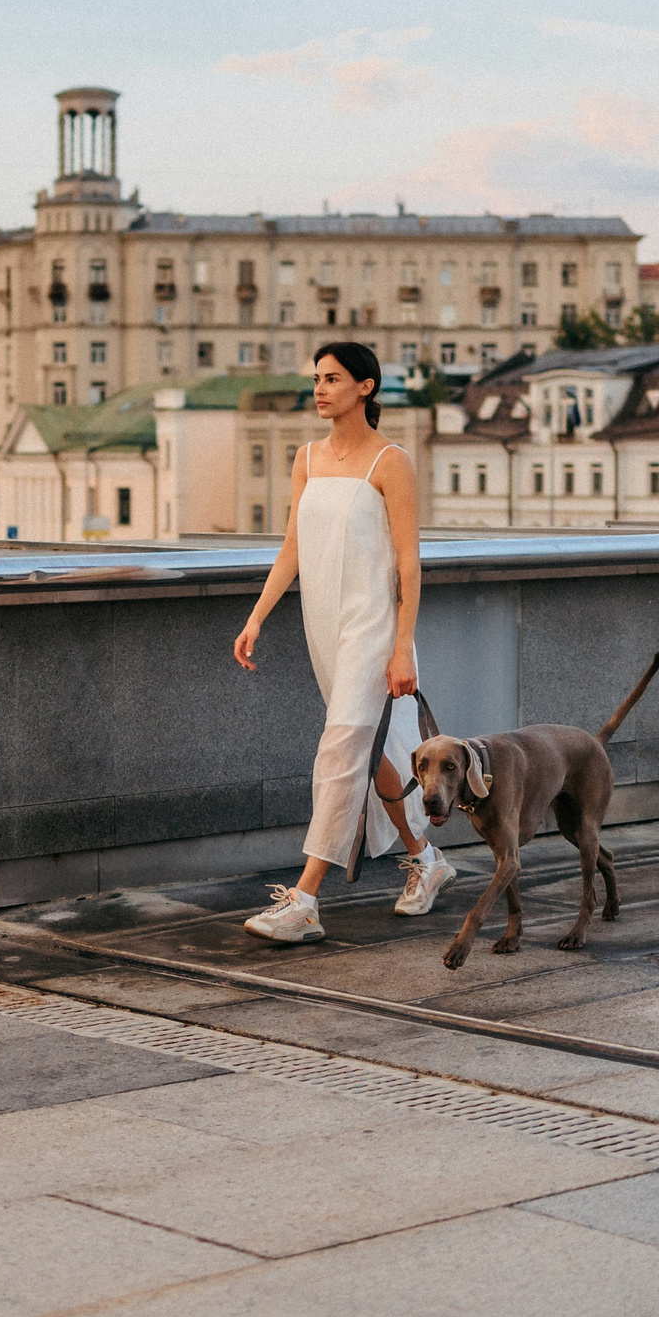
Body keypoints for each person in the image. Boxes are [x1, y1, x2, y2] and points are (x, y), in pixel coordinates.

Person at [231, 341, 452, 942]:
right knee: (368, 752)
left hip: (374, 628)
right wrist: (256, 617)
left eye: (332, 379)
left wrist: (403, 645)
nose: (320, 389)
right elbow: (293, 548)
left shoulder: (391, 463)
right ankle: (426, 860)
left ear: (366, 387)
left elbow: (410, 563)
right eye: (316, 379)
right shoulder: (306, 458)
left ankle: (304, 900)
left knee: (338, 750)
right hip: (323, 625)